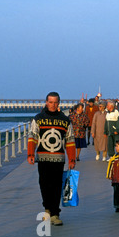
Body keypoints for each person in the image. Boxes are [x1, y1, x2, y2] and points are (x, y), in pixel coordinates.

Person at [27, 92, 76, 226]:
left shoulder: (65, 120)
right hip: (42, 159)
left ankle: (55, 214)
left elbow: (70, 141)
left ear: (59, 103)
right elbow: (32, 137)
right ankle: (47, 209)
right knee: (44, 185)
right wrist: (30, 154)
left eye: (55, 102)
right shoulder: (38, 118)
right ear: (46, 102)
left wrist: (72, 159)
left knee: (56, 186)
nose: (53, 105)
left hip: (58, 159)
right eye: (50, 102)